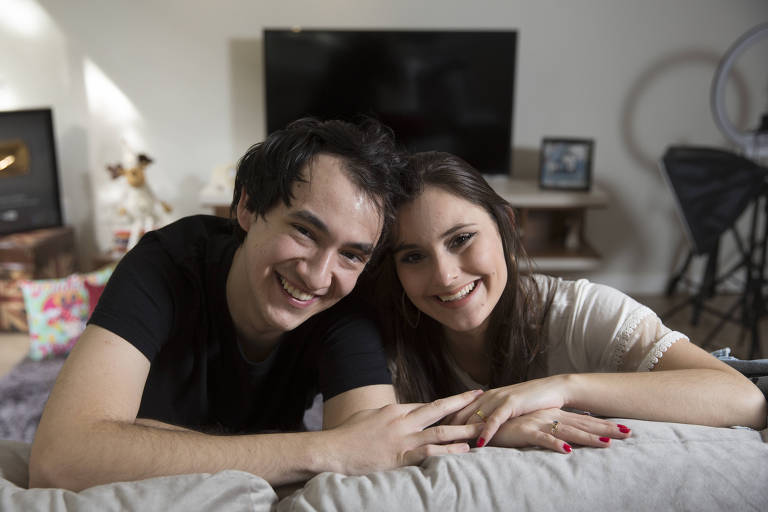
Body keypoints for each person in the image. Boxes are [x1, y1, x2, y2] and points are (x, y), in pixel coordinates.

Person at [29, 120, 484, 491]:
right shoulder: (165, 262)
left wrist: (144, 441)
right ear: (247, 208)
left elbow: (373, 456)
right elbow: (61, 458)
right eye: (305, 231)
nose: (318, 275)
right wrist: (320, 450)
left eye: (352, 254)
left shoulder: (345, 302)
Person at [372, 151, 767, 453]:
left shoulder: (581, 312)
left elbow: (743, 399)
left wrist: (562, 388)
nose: (445, 276)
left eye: (461, 240)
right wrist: (494, 425)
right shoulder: (383, 338)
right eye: (413, 256)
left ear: (508, 226)